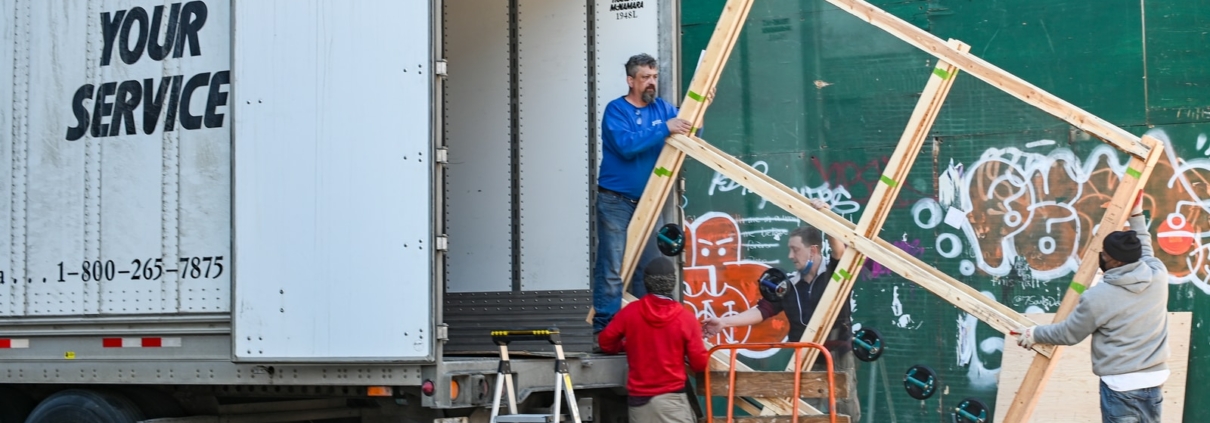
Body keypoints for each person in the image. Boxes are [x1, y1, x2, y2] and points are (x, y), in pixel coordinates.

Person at [701, 199, 860, 422]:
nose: (790, 256)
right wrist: (724, 322)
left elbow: (839, 251)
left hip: (838, 354)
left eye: (795, 250)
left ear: (813, 250)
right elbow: (761, 311)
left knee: (846, 410)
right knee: (805, 412)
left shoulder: (835, 273)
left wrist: (826, 214)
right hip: (806, 358)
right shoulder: (789, 284)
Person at [1015, 193, 1168, 423]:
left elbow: (1068, 333)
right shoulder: (1158, 275)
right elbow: (1145, 249)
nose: (1101, 257)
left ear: (1115, 261)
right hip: (1153, 382)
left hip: (1120, 386)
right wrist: (1136, 214)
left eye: (1104, 254)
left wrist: (1034, 334)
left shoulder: (1099, 297)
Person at [593, 53, 692, 339]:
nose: (652, 83)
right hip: (615, 201)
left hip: (650, 201)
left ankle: (644, 334)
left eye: (654, 77)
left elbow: (692, 130)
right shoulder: (616, 110)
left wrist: (702, 106)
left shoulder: (662, 108)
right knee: (612, 266)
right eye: (645, 78)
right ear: (630, 81)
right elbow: (626, 145)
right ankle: (606, 333)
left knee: (647, 270)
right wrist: (663, 128)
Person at [599, 257, 709, 423]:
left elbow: (605, 342)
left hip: (639, 403)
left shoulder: (630, 313)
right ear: (672, 283)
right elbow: (699, 363)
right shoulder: (686, 319)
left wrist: (625, 346)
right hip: (672, 402)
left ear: (646, 282)